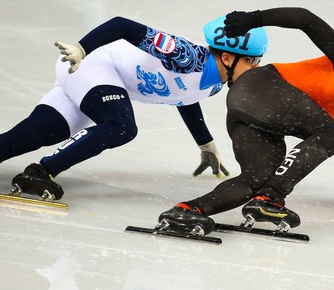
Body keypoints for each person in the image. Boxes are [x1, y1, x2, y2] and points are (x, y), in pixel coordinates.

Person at [154, 7, 334, 236]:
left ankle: (189, 210)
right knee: (327, 136)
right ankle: (271, 199)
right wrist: (253, 20)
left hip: (252, 112)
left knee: (256, 180)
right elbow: (306, 19)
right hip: (261, 87)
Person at [0, 15, 268, 201]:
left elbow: (185, 97)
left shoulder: (215, 83)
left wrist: (205, 144)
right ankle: (41, 171)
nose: (256, 68)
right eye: (253, 60)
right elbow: (123, 25)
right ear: (227, 56)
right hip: (89, 64)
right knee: (121, 127)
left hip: (98, 81)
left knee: (36, 134)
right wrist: (82, 48)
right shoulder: (186, 56)